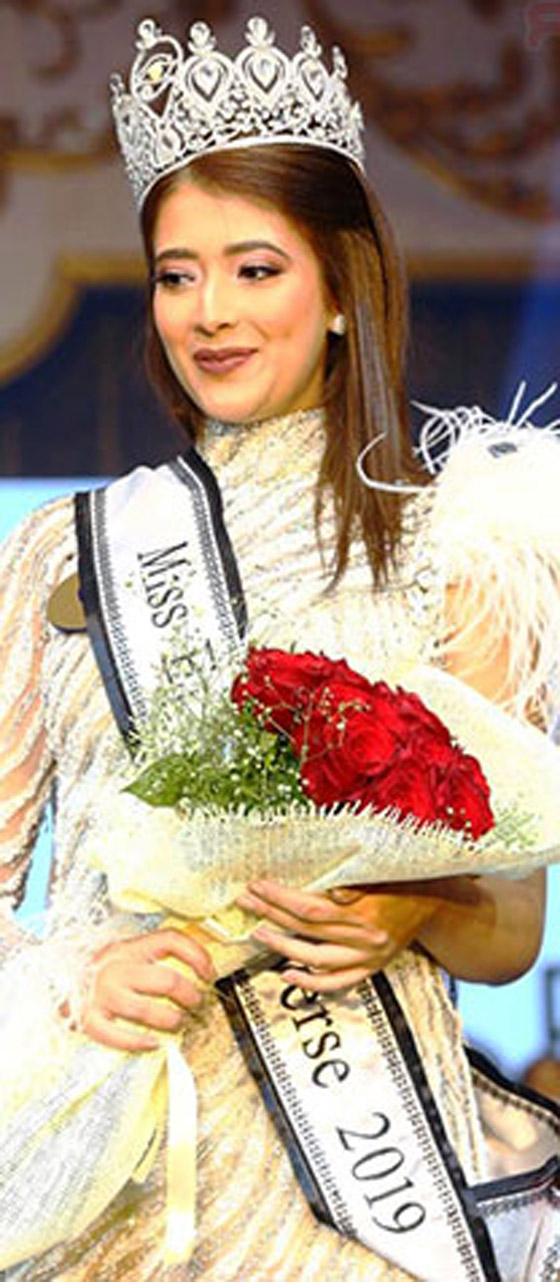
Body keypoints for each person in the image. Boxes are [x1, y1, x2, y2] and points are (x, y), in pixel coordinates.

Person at [0, 16, 558, 1282]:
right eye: (176, 275)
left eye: (254, 269)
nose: (210, 313)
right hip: (121, 1173)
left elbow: (509, 926)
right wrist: (76, 975)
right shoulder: (58, 554)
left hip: (362, 1189)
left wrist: (405, 905)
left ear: (342, 287)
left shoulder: (459, 545)